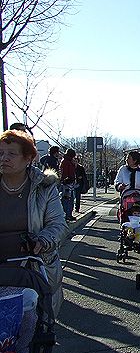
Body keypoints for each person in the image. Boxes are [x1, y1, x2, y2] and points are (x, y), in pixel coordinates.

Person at [0, 130, 67, 316]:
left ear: (28, 158)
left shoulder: (44, 187)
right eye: (0, 153)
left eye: (11, 154)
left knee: (30, 323)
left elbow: (58, 224)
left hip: (33, 267)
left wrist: (42, 241)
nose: (4, 158)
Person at [59, 148, 77, 222]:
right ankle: (67, 215)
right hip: (67, 183)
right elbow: (64, 172)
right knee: (67, 199)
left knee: (70, 199)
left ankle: (69, 214)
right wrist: (66, 179)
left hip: (69, 182)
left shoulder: (67, 161)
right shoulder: (66, 162)